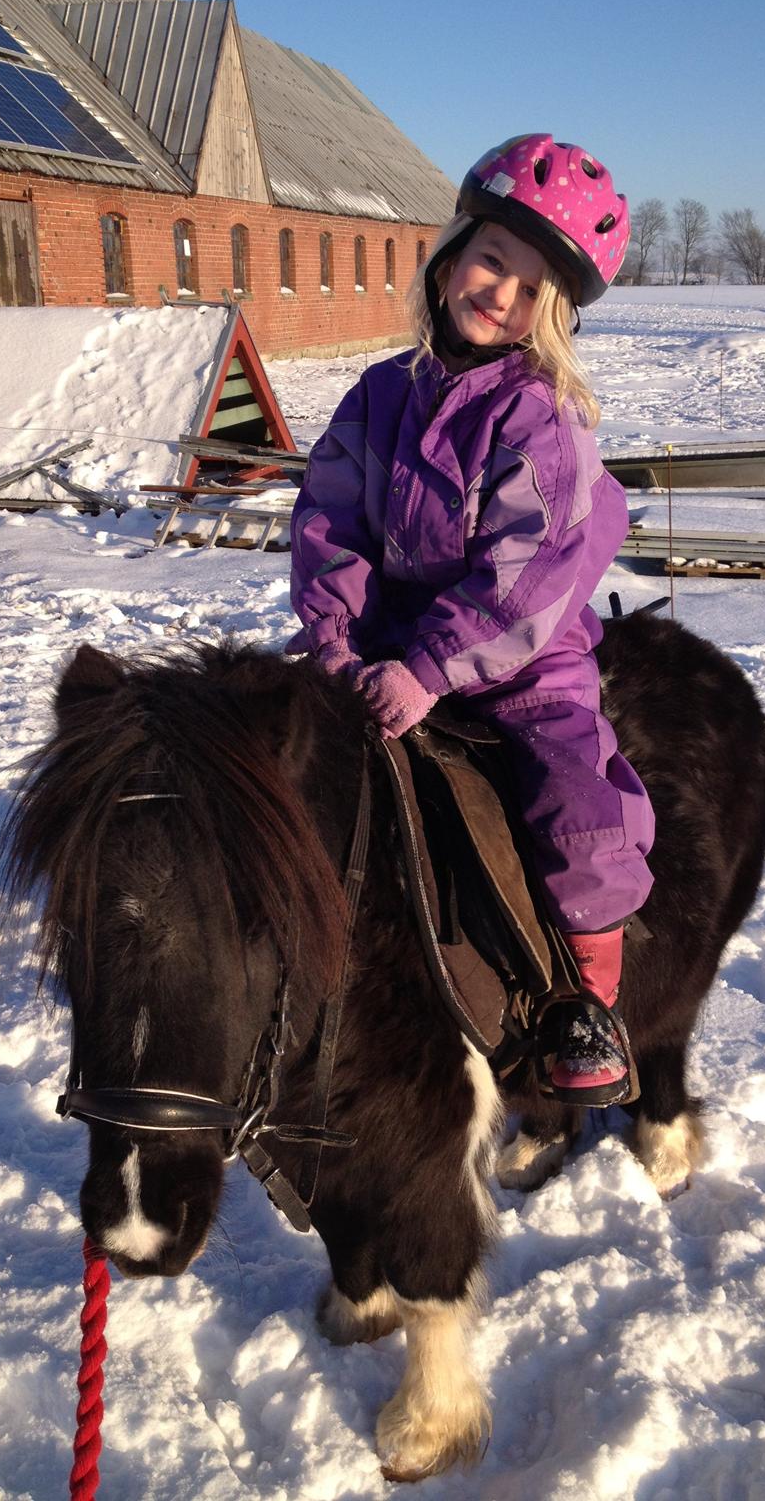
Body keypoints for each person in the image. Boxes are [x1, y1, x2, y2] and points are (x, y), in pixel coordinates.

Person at [286, 134, 654, 1105]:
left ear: (557, 314)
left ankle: (582, 994)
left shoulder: (542, 419)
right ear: (451, 254)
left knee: (579, 803)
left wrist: (430, 669)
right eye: (494, 259)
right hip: (379, 643)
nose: (503, 292)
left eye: (535, 286)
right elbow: (330, 518)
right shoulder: (381, 395)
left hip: (516, 662)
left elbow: (524, 578)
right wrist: (333, 641)